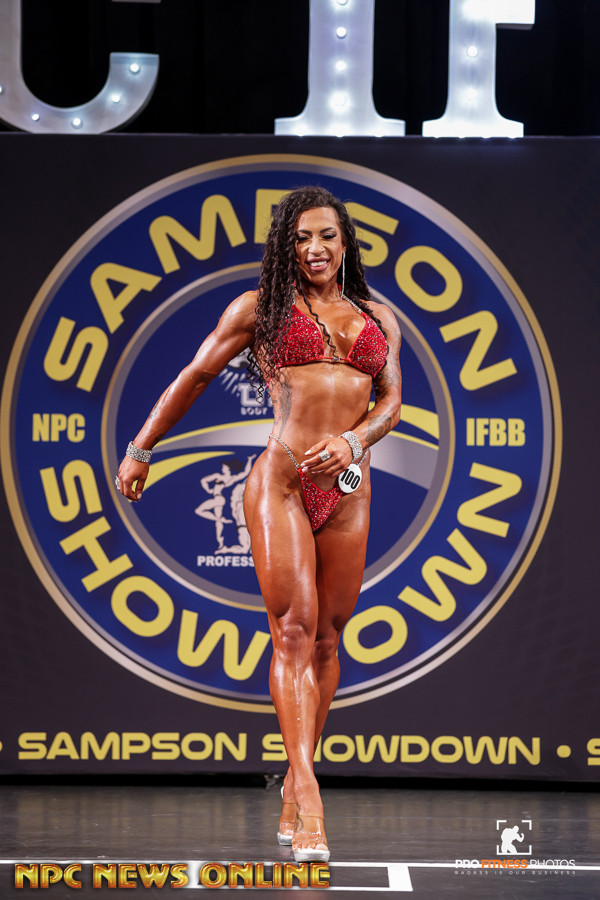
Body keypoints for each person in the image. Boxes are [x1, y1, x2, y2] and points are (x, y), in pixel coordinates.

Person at [116, 186, 402, 862]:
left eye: (326, 235)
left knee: (328, 641)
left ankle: (295, 784)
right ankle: (310, 796)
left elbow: (392, 401)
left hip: (349, 489)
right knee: (294, 632)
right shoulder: (259, 310)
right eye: (301, 238)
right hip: (281, 482)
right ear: (284, 247)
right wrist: (142, 447)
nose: (315, 248)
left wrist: (356, 441)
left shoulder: (378, 316)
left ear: (345, 241)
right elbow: (194, 376)